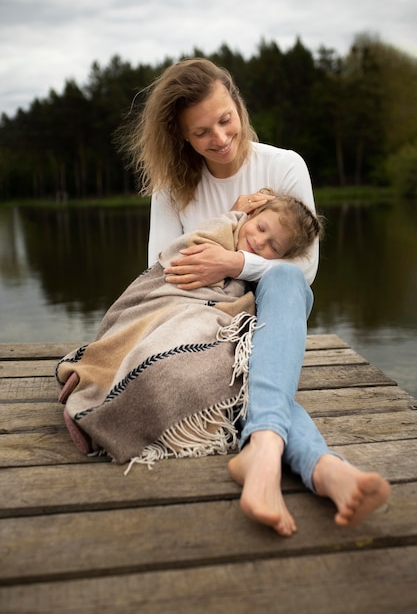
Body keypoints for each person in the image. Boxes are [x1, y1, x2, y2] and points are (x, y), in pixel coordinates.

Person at [116, 57, 391, 537]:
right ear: (181, 136)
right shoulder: (172, 187)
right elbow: (163, 266)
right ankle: (322, 467)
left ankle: (262, 452)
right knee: (247, 367)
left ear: (238, 105)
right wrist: (228, 230)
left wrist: (236, 263)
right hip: (204, 316)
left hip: (272, 316)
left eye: (225, 120)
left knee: (283, 282)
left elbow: (305, 268)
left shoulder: (283, 166)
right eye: (201, 132)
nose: (219, 139)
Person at [56, 193, 322, 468]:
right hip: (176, 300)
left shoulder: (285, 172)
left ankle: (108, 391)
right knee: (168, 339)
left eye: (273, 247)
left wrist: (235, 265)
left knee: (194, 358)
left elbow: (301, 273)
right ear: (251, 215)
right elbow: (173, 258)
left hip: (215, 314)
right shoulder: (220, 226)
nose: (258, 241)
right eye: (261, 228)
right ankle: (101, 378)